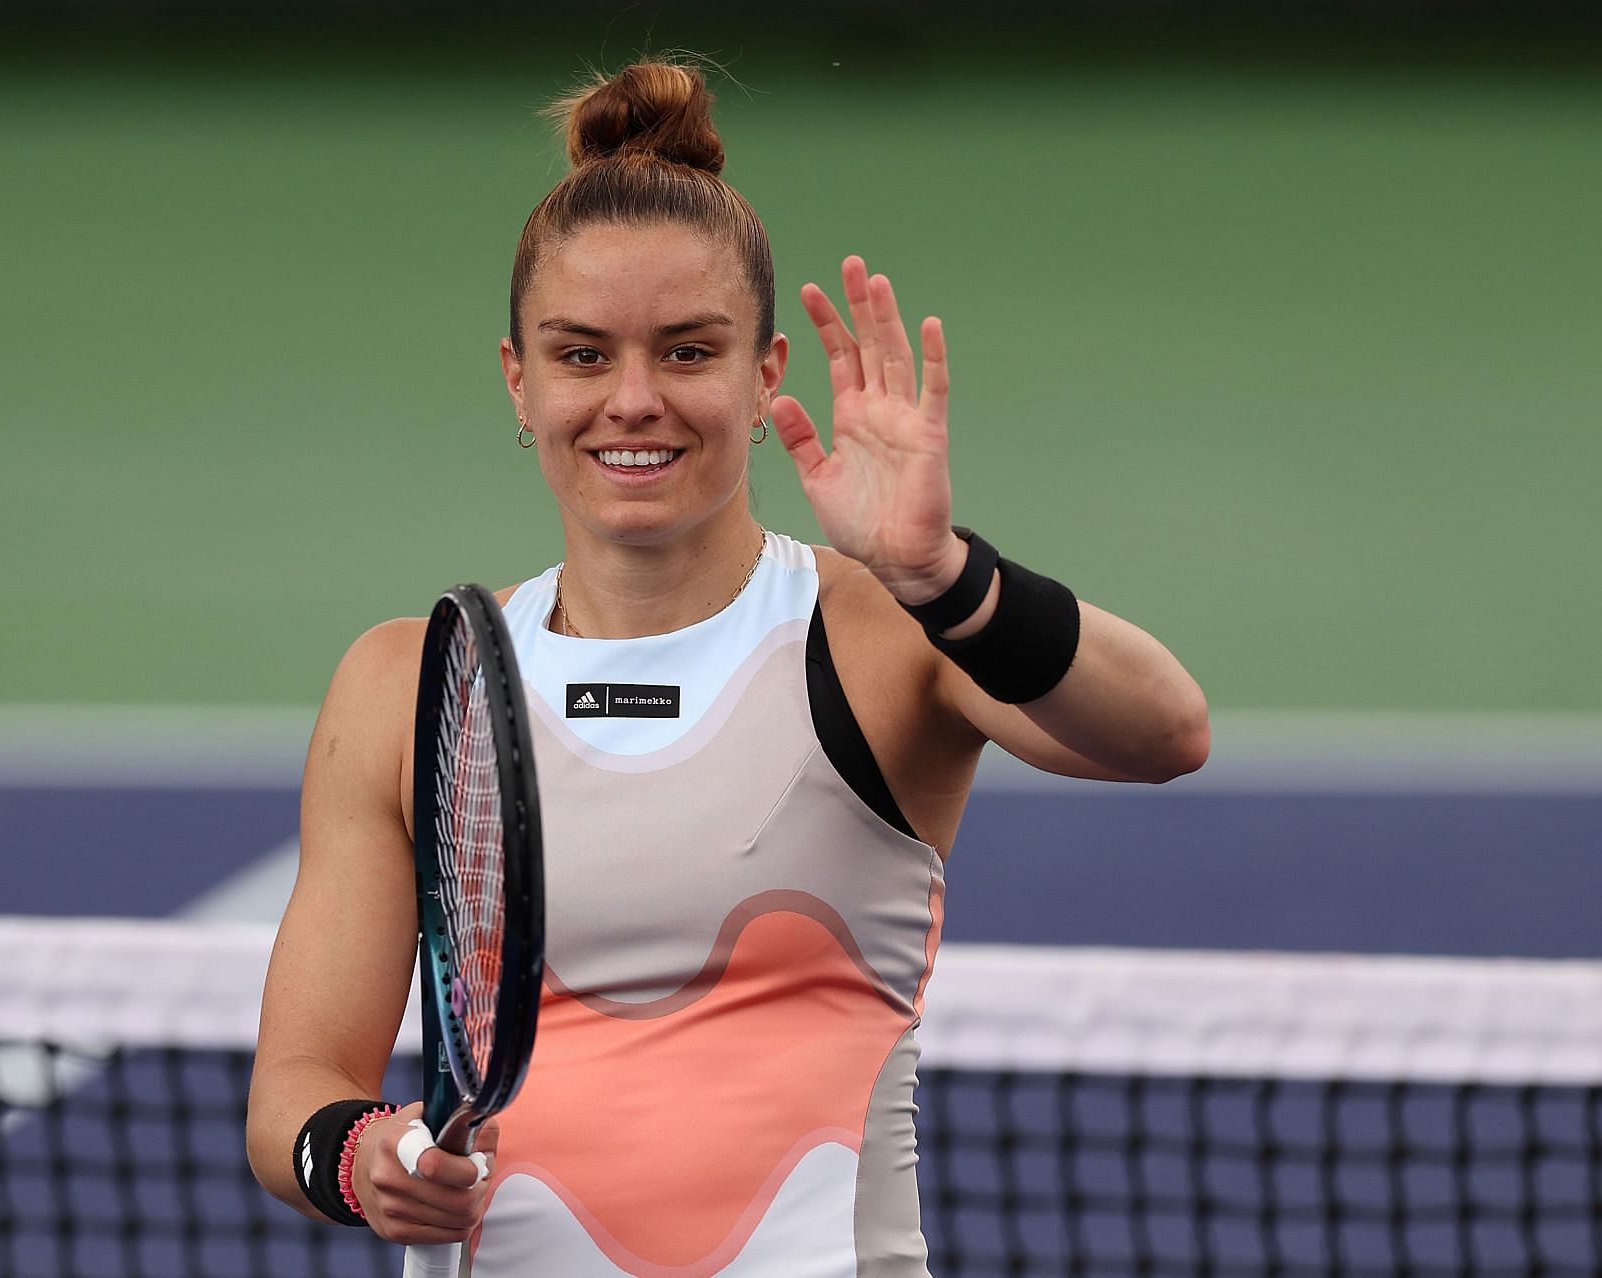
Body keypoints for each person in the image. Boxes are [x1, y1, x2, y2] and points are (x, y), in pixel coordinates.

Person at [248, 58, 1209, 1277]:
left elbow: (1165, 730)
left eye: (689, 353)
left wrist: (943, 574)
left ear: (764, 378)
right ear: (519, 381)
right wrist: (361, 1158)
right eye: (583, 355)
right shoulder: (410, 685)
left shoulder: (882, 633)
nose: (634, 401)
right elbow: (293, 1090)